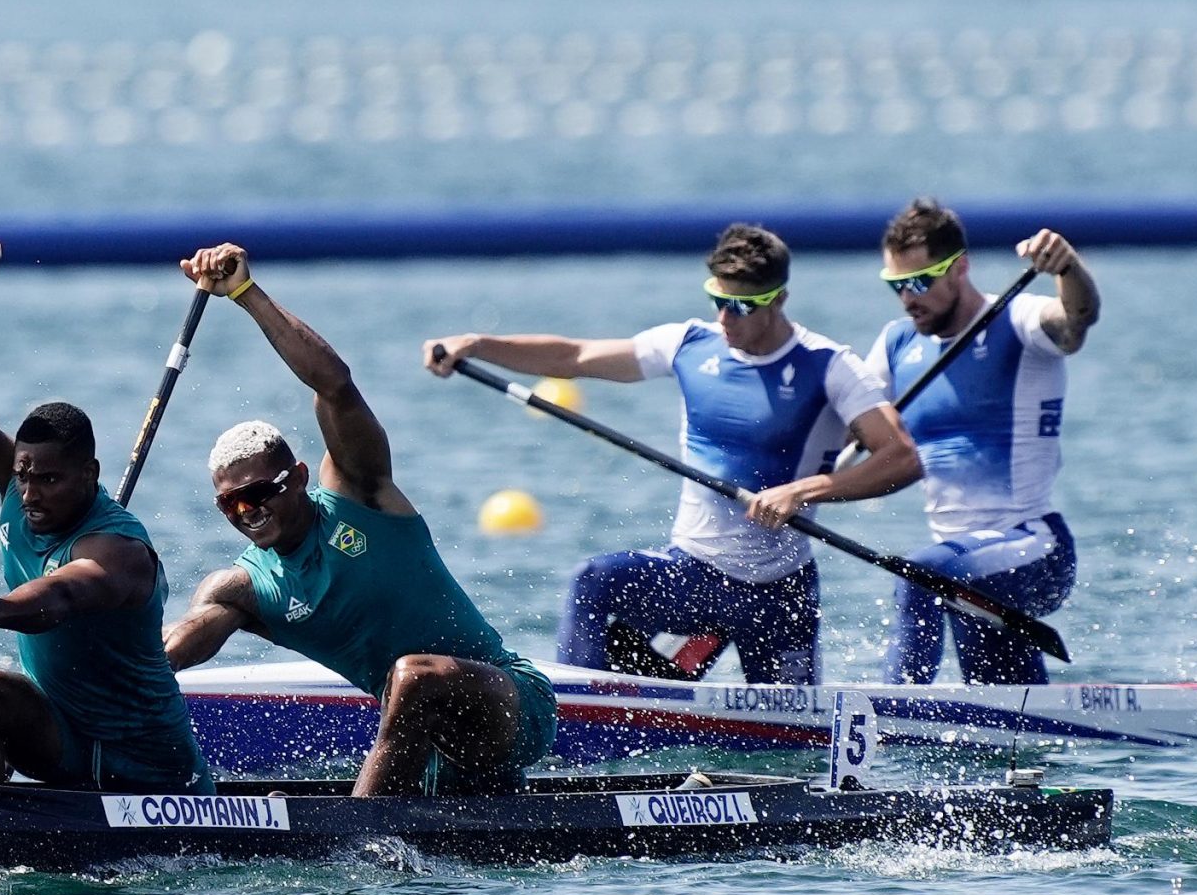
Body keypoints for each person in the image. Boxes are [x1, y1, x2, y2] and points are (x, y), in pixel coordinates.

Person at [424, 222, 920, 685]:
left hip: (779, 593)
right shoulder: (688, 344)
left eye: (743, 307)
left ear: (779, 299)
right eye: (717, 301)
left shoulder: (830, 367)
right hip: (694, 574)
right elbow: (572, 357)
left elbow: (900, 457)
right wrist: (477, 344)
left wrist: (804, 491)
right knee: (594, 583)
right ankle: (579, 723)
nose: (726, 318)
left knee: (794, 744)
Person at [164, 242, 558, 797]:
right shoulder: (242, 590)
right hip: (426, 751)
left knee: (414, 675)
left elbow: (335, 385)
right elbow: (164, 656)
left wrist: (247, 296)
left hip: (511, 708)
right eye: (232, 504)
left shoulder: (359, 495)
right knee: (409, 684)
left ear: (298, 477)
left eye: (259, 493)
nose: (249, 512)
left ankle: (360, 838)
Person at [0, 233, 213, 792]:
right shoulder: (16, 484)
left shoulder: (119, 550)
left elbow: (63, 594)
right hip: (64, 743)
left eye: (50, 480)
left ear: (91, 475)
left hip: (152, 767)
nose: (30, 493)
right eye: (25, 476)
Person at [829, 197, 1098, 685]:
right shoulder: (897, 344)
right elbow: (842, 425)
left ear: (960, 268)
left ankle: (887, 721)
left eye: (919, 282)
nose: (908, 298)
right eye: (897, 286)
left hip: (1033, 548)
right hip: (960, 561)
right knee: (1011, 716)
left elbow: (1077, 320)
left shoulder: (1018, 320)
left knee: (918, 574)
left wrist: (1069, 268)